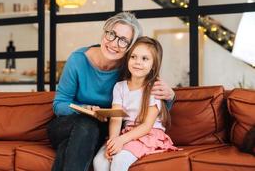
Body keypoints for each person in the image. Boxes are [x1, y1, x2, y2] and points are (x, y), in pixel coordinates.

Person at [47, 12, 175, 171]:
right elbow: (59, 104)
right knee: (86, 124)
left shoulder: (131, 68)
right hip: (67, 124)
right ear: (104, 32)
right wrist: (84, 109)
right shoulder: (78, 59)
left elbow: (148, 104)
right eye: (112, 34)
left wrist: (170, 96)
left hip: (99, 130)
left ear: (130, 46)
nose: (114, 43)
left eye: (123, 41)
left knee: (71, 145)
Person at [93, 37, 179, 171]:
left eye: (145, 59)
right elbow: (116, 117)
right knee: (99, 161)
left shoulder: (154, 88)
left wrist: (121, 140)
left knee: (119, 160)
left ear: (154, 65)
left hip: (148, 134)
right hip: (126, 133)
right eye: (133, 57)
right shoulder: (119, 87)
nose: (138, 62)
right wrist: (113, 141)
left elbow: (146, 126)